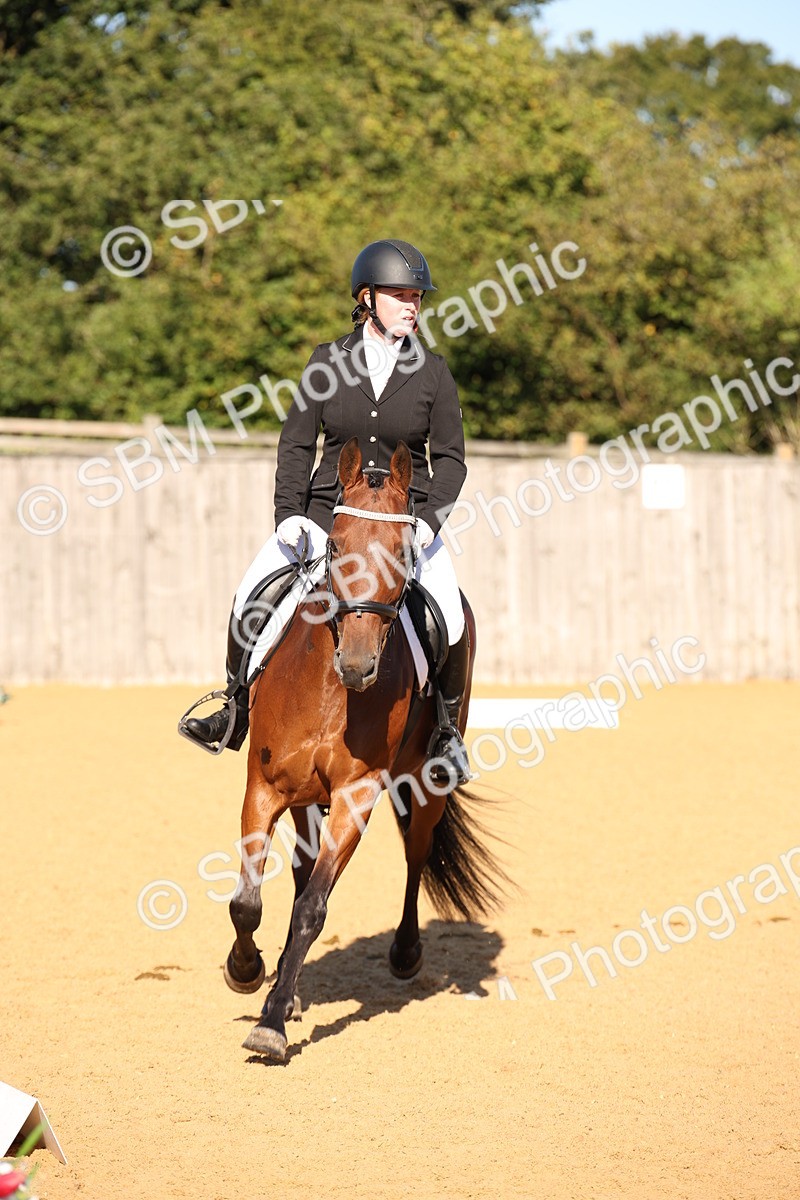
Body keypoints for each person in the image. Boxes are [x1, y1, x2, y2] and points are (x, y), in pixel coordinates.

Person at [182, 238, 471, 783]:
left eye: (417, 297)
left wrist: (427, 524)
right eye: (400, 295)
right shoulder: (327, 361)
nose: (412, 305)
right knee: (254, 590)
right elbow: (296, 445)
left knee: (449, 614)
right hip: (324, 518)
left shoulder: (434, 373)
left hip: (402, 527)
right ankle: (234, 706)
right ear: (367, 298)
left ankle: (446, 732)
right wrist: (289, 514)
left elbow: (451, 461)